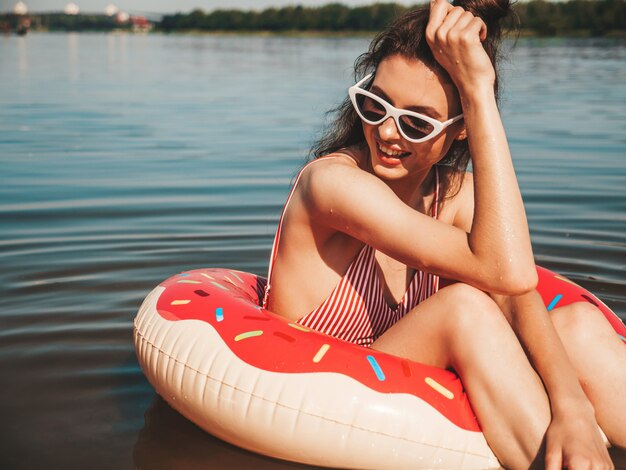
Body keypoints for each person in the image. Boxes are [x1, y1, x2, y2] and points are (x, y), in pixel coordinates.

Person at [262, 0, 626, 467]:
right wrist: (476, 90)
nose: (388, 132)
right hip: (318, 396)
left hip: (403, 376)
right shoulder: (333, 185)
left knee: (577, 324)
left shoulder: (453, 195)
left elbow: (516, 290)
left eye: (417, 122)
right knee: (464, 307)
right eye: (375, 105)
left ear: (458, 132)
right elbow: (505, 272)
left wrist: (571, 406)